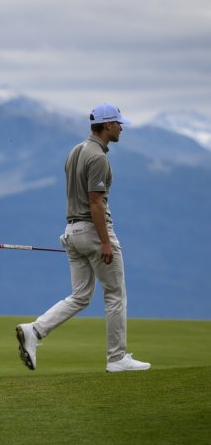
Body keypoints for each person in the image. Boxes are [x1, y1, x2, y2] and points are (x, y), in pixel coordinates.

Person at [16, 102, 151, 373]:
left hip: (71, 232)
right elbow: (95, 202)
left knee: (81, 296)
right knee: (114, 294)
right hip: (93, 231)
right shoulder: (98, 157)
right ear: (107, 125)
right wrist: (104, 241)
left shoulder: (75, 151)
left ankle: (35, 329)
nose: (121, 128)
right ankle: (117, 358)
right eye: (118, 123)